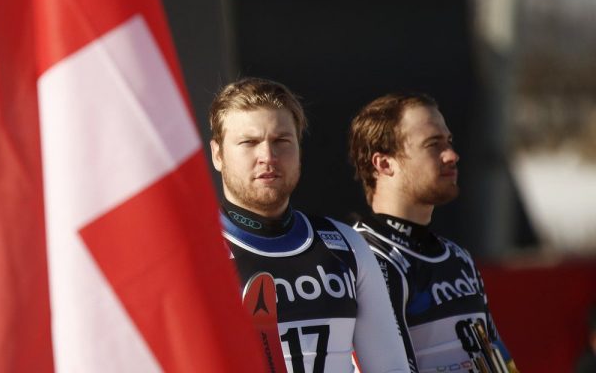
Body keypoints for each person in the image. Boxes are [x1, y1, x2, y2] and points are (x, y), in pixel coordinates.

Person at [209, 77, 409, 373]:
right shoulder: (196, 254)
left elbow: (390, 368)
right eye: (249, 142)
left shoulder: (345, 245)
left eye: (281, 141)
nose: (267, 156)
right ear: (218, 154)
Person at [347, 92, 519, 373]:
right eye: (432, 145)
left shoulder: (457, 257)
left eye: (448, 142)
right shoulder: (363, 258)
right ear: (384, 164)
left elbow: (499, 361)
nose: (452, 155)